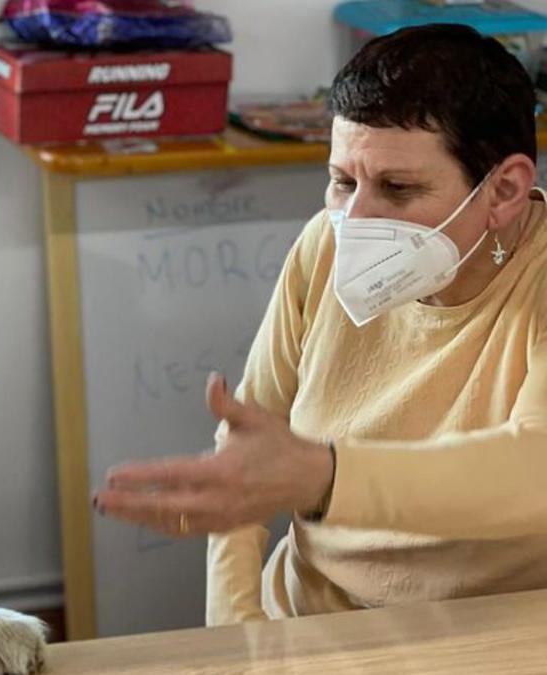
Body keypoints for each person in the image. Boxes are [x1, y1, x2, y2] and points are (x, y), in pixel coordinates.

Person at [91, 23, 547, 624]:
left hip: (484, 635)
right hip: (307, 616)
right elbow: (249, 452)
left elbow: (531, 472)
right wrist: (236, 631)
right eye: (341, 181)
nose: (354, 219)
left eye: (397, 188)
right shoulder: (323, 246)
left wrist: (323, 477)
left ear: (505, 190)